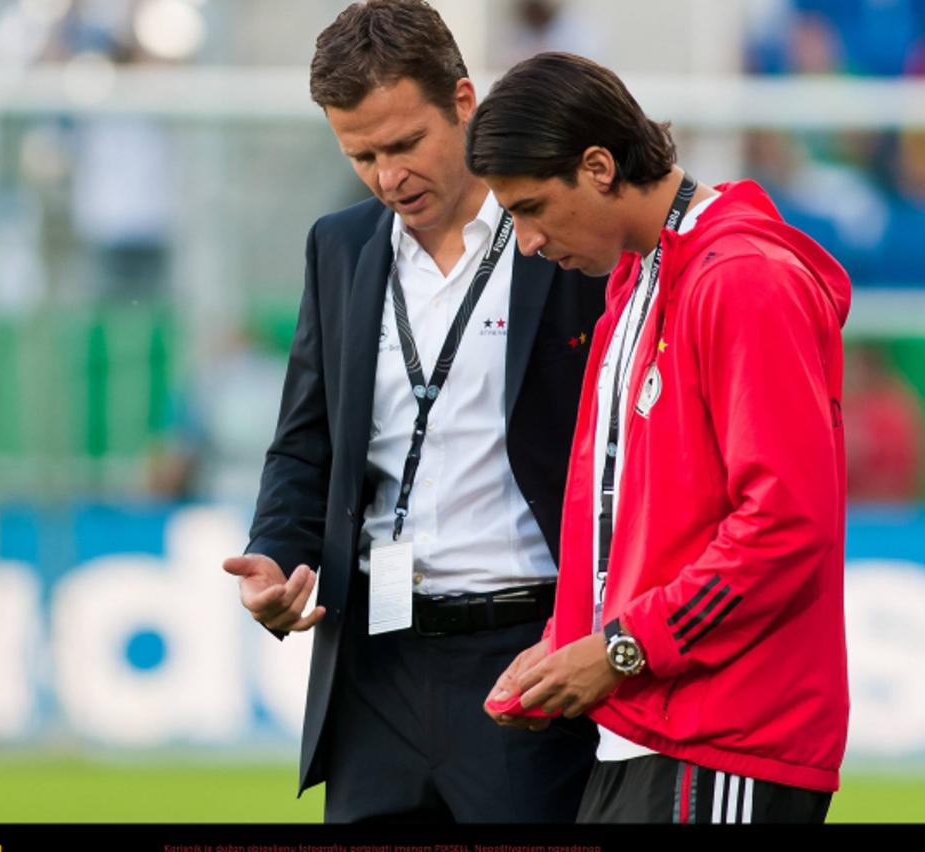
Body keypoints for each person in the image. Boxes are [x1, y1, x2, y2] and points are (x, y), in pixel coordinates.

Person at [222, 1, 605, 823]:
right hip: (373, 666)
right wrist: (274, 556)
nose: (387, 176)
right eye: (360, 154)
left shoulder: (564, 240)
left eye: (403, 145)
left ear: (464, 102)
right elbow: (305, 442)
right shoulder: (340, 246)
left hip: (527, 654)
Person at [466, 52, 849, 823]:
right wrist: (566, 639)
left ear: (600, 166)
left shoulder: (741, 278)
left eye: (532, 207)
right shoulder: (637, 284)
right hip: (648, 729)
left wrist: (618, 649)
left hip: (728, 735)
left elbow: (783, 522)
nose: (530, 241)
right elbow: (627, 510)